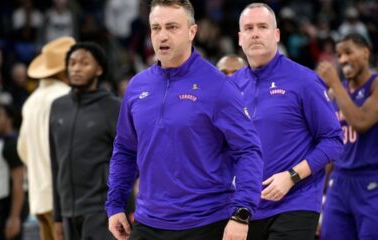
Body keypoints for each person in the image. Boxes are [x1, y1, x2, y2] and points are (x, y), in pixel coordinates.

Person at [106, 1, 263, 240]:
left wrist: (242, 212)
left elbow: (248, 151)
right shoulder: (137, 86)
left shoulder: (218, 86)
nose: (162, 36)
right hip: (147, 223)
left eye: (172, 27)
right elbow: (125, 150)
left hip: (206, 223)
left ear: (192, 31)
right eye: (156, 28)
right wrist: (116, 204)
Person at [231, 3, 343, 240]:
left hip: (295, 202)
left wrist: (292, 176)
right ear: (240, 38)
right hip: (246, 209)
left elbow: (333, 141)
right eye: (249, 28)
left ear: (277, 34)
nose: (255, 33)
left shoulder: (304, 80)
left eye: (263, 26)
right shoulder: (230, 87)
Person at [49, 42, 120, 240]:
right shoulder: (58, 107)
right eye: (71, 63)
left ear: (99, 69)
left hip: (102, 210)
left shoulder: (113, 107)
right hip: (67, 213)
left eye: (84, 63)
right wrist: (57, 217)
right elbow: (56, 165)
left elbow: (132, 158)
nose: (76, 68)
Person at [317, 33, 378, 240]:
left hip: (371, 181)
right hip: (339, 181)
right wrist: (320, 194)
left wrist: (334, 82)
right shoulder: (336, 94)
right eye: (339, 54)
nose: (342, 60)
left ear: (365, 53)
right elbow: (332, 144)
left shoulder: (375, 86)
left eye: (348, 52)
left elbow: (361, 122)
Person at [17, 36, 75, 240]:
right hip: (65, 200)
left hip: (39, 199)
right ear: (63, 69)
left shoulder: (29, 103)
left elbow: (22, 150)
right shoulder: (68, 96)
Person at [0, 102, 29, 240]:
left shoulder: (12, 143)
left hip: (9, 206)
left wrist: (14, 217)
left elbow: (18, 182)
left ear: (9, 119)